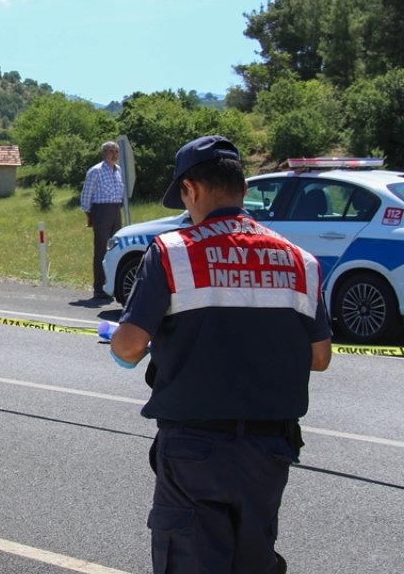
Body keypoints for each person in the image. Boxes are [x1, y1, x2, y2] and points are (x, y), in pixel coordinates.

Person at [109, 135, 332, 574]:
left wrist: (120, 340)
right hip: (269, 450)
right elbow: (320, 357)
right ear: (242, 187)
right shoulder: (300, 260)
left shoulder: (173, 252)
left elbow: (130, 346)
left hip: (195, 447)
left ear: (191, 189)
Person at [80, 141, 125, 300]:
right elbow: (86, 195)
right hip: (101, 211)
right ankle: (99, 288)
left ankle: (111, 285)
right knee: (101, 250)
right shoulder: (96, 171)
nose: (115, 154)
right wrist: (90, 216)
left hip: (115, 210)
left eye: (117, 151)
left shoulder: (118, 170)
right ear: (104, 153)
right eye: (111, 151)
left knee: (117, 248)